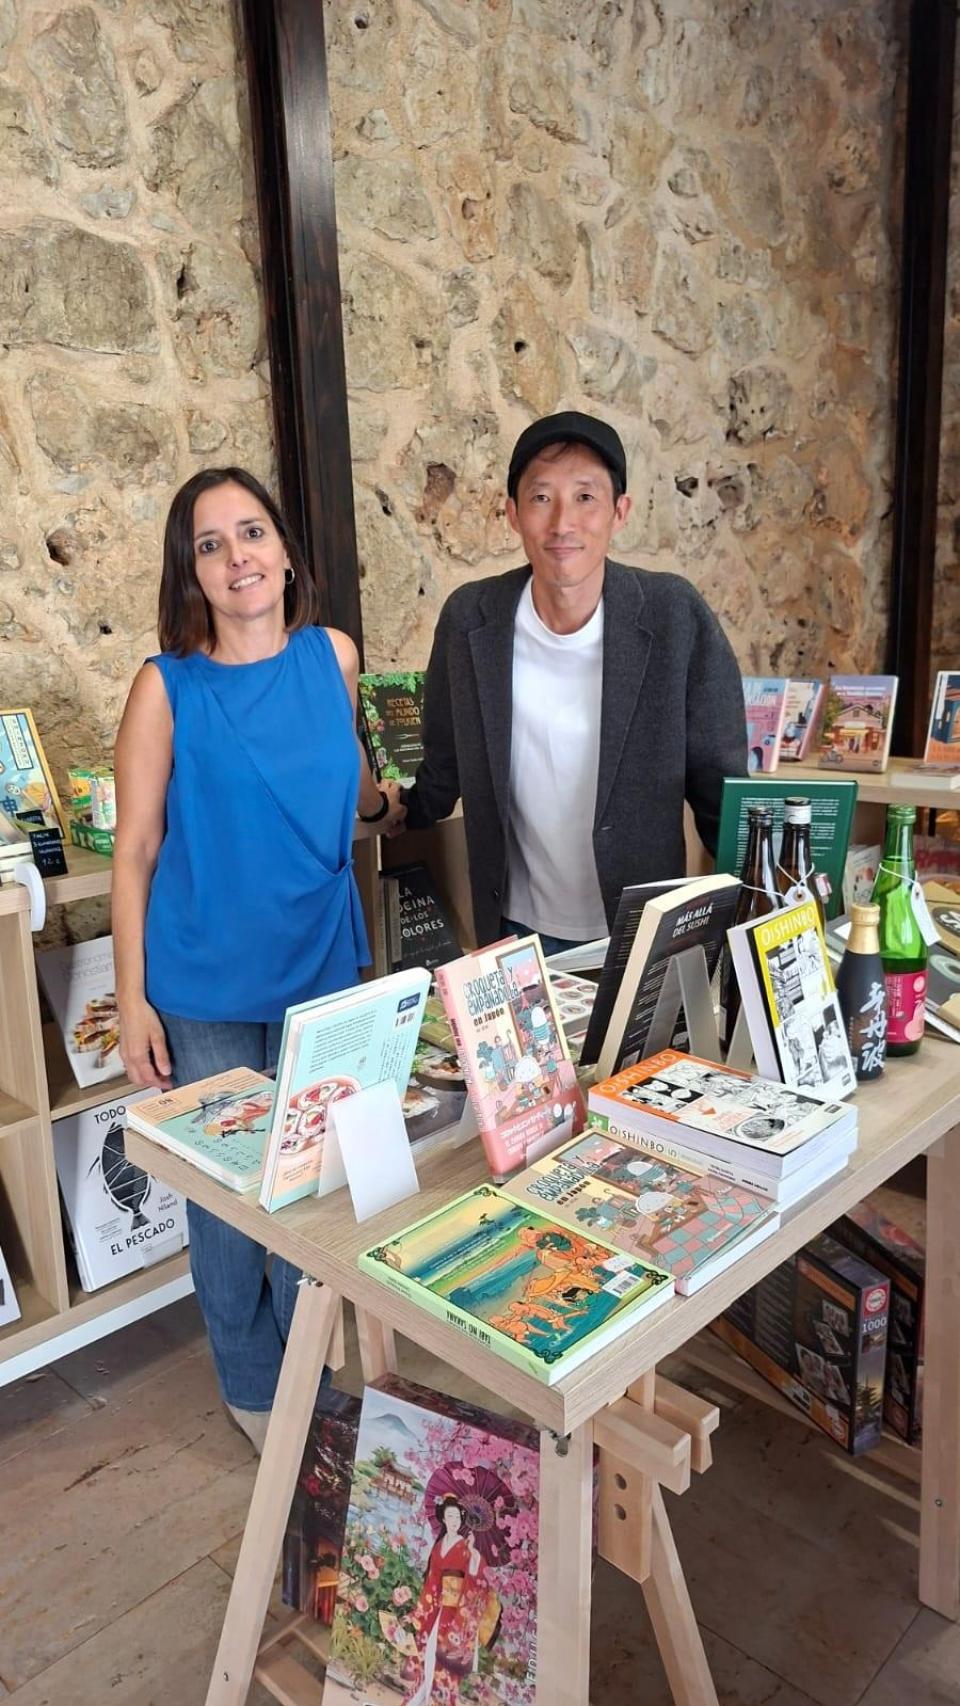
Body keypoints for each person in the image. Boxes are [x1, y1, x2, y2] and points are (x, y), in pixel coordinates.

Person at [113, 466, 405, 1452]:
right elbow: (138, 849)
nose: (237, 555)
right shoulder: (166, 686)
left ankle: (310, 1357)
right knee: (234, 1200)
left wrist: (382, 801)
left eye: (251, 532)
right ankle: (252, 1376)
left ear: (284, 551)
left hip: (321, 964)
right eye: (210, 543)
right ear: (191, 572)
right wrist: (130, 1001)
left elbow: (357, 777)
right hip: (203, 984)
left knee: (316, 1186)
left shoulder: (335, 655)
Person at [403, 410, 747, 952]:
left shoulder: (674, 615)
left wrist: (761, 915)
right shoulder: (471, 619)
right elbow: (443, 764)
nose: (562, 523)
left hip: (645, 930)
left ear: (620, 511)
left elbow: (721, 790)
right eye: (541, 498)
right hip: (517, 933)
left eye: (586, 497)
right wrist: (390, 808)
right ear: (513, 514)